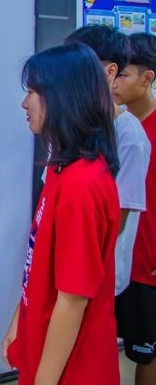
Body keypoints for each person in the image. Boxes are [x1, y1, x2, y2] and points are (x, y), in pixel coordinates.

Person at [2, 42, 120, 385]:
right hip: (46, 350)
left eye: (33, 92)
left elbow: (72, 301)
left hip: (73, 368)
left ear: (63, 97)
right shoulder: (61, 170)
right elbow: (38, 260)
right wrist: (19, 322)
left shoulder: (81, 185)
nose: (25, 103)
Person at [65, 25, 150, 296]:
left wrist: (78, 266)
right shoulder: (69, 124)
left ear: (110, 71)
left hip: (99, 274)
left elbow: (119, 216)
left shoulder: (129, 134)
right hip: (64, 266)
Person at [113, 33, 156, 385]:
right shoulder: (116, 127)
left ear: (147, 78)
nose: (114, 83)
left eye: (123, 75)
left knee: (146, 355)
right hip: (116, 261)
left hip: (148, 268)